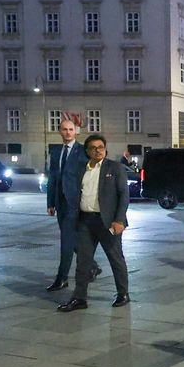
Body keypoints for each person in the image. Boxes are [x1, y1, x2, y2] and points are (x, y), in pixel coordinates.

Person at [56, 134, 130, 312]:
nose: (98, 151)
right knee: (83, 262)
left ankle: (123, 294)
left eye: (101, 147)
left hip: (108, 222)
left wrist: (119, 220)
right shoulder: (82, 169)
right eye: (93, 148)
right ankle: (79, 298)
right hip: (85, 221)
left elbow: (124, 195)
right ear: (87, 151)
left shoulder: (115, 167)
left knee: (115, 258)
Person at [45, 118, 100, 291]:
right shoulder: (56, 152)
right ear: (60, 131)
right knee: (71, 239)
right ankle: (92, 266)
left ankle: (62, 278)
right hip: (60, 202)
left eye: (70, 129)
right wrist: (50, 202)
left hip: (74, 203)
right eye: (64, 129)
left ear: (75, 131)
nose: (68, 132)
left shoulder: (82, 151)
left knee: (66, 241)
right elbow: (52, 178)